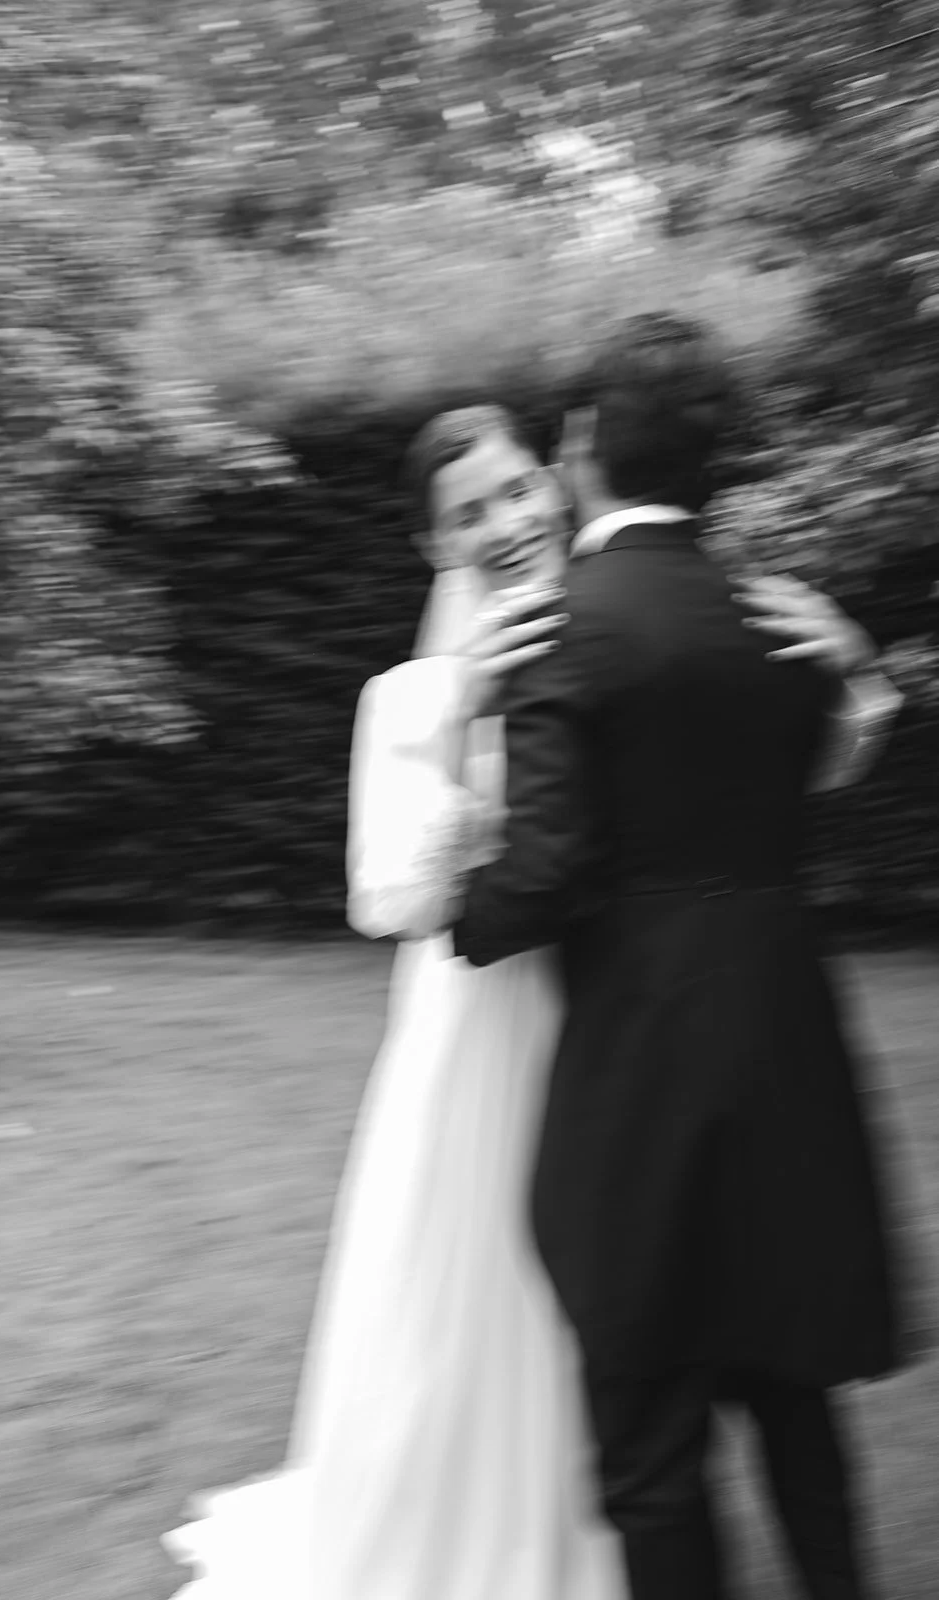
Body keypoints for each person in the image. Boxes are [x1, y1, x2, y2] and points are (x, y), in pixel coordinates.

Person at [162, 394, 900, 1600]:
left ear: (558, 485)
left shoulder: (620, 641)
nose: (504, 522)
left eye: (515, 490)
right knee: (482, 1312)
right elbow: (387, 897)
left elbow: (755, 781)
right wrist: (457, 710)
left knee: (631, 1314)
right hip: (483, 1039)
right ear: (432, 546)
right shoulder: (410, 694)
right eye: (468, 513)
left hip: (619, 1037)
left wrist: (852, 679)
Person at [451, 318, 906, 1600]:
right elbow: (810, 765)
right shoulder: (786, 628)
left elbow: (538, 880)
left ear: (586, 444)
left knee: (650, 1445)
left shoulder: (559, 632)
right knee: (795, 1405)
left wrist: (462, 907)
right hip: (788, 1047)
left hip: (641, 1069)